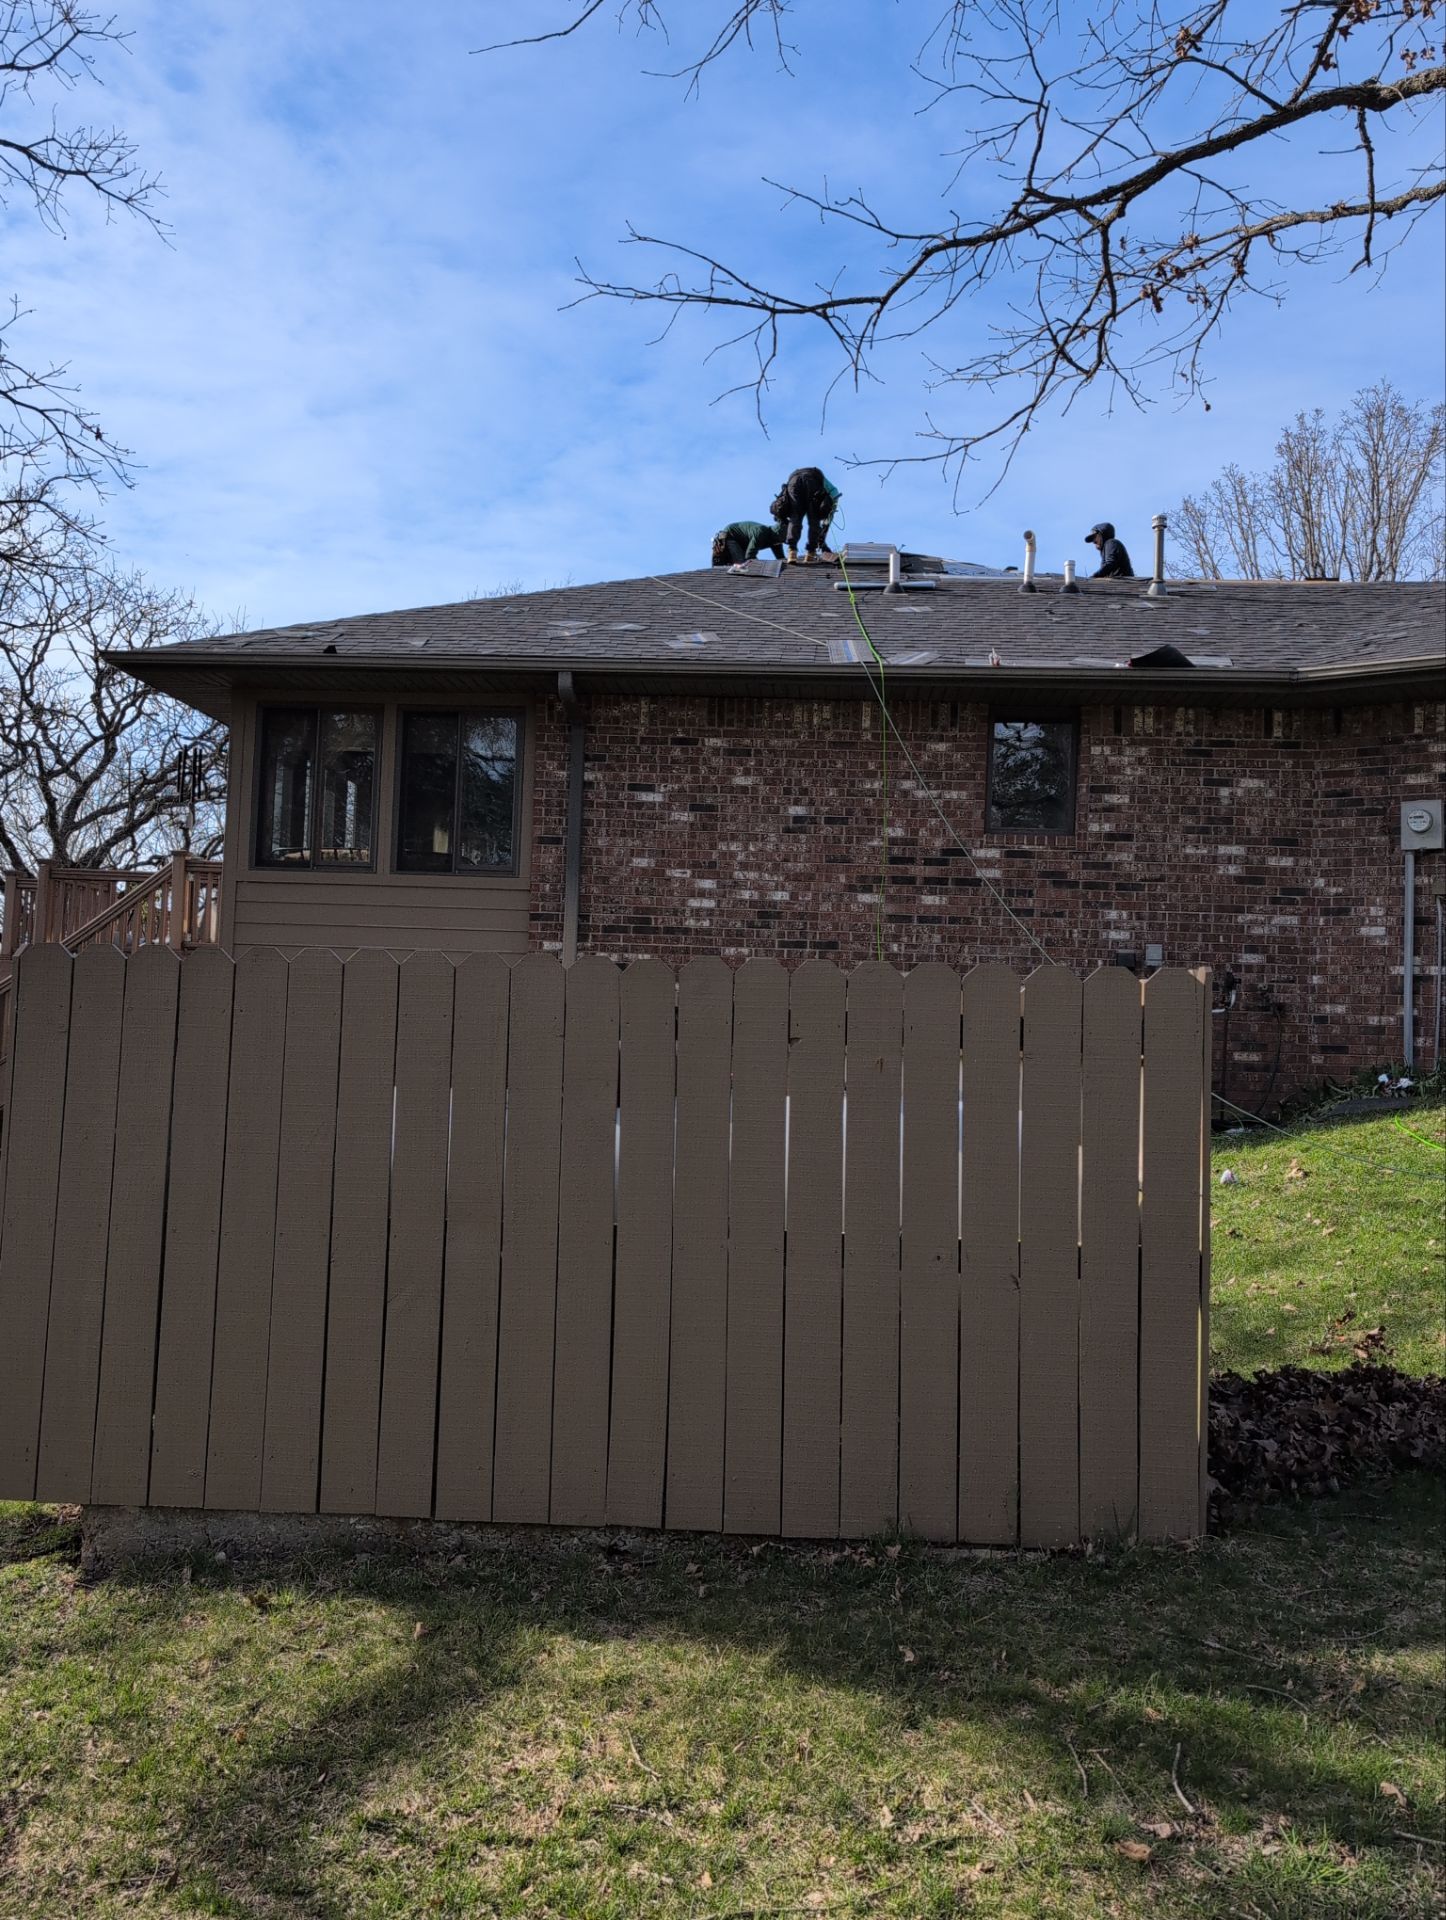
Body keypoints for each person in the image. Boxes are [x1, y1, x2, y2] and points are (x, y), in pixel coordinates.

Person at [770, 467, 841, 563]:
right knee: (814, 518)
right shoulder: (827, 488)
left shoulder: (814, 479)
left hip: (793, 482)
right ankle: (811, 553)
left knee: (795, 516)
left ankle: (792, 551)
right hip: (811, 480)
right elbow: (835, 494)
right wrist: (825, 527)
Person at [711, 521, 787, 567]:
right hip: (730, 537)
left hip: (741, 543)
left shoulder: (776, 542)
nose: (780, 543)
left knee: (743, 565)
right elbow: (750, 556)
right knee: (743, 565)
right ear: (777, 535)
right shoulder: (761, 532)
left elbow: (781, 559)